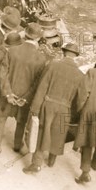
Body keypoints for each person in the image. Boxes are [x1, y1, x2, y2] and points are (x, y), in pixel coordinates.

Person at [22, 43, 84, 173]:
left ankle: (36, 164)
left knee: (41, 133)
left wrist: (35, 108)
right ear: (76, 57)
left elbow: (42, 87)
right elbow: (79, 99)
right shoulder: (80, 75)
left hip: (48, 104)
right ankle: (51, 161)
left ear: (64, 53)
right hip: (65, 108)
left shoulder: (53, 65)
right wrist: (71, 113)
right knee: (59, 134)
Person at [0, 23, 46, 155]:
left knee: (1, 119)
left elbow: (2, 73)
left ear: (25, 33)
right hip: (23, 99)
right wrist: (25, 98)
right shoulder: (41, 59)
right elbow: (38, 83)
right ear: (38, 38)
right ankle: (16, 146)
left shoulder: (12, 51)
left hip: (7, 94)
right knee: (21, 122)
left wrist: (8, 94)